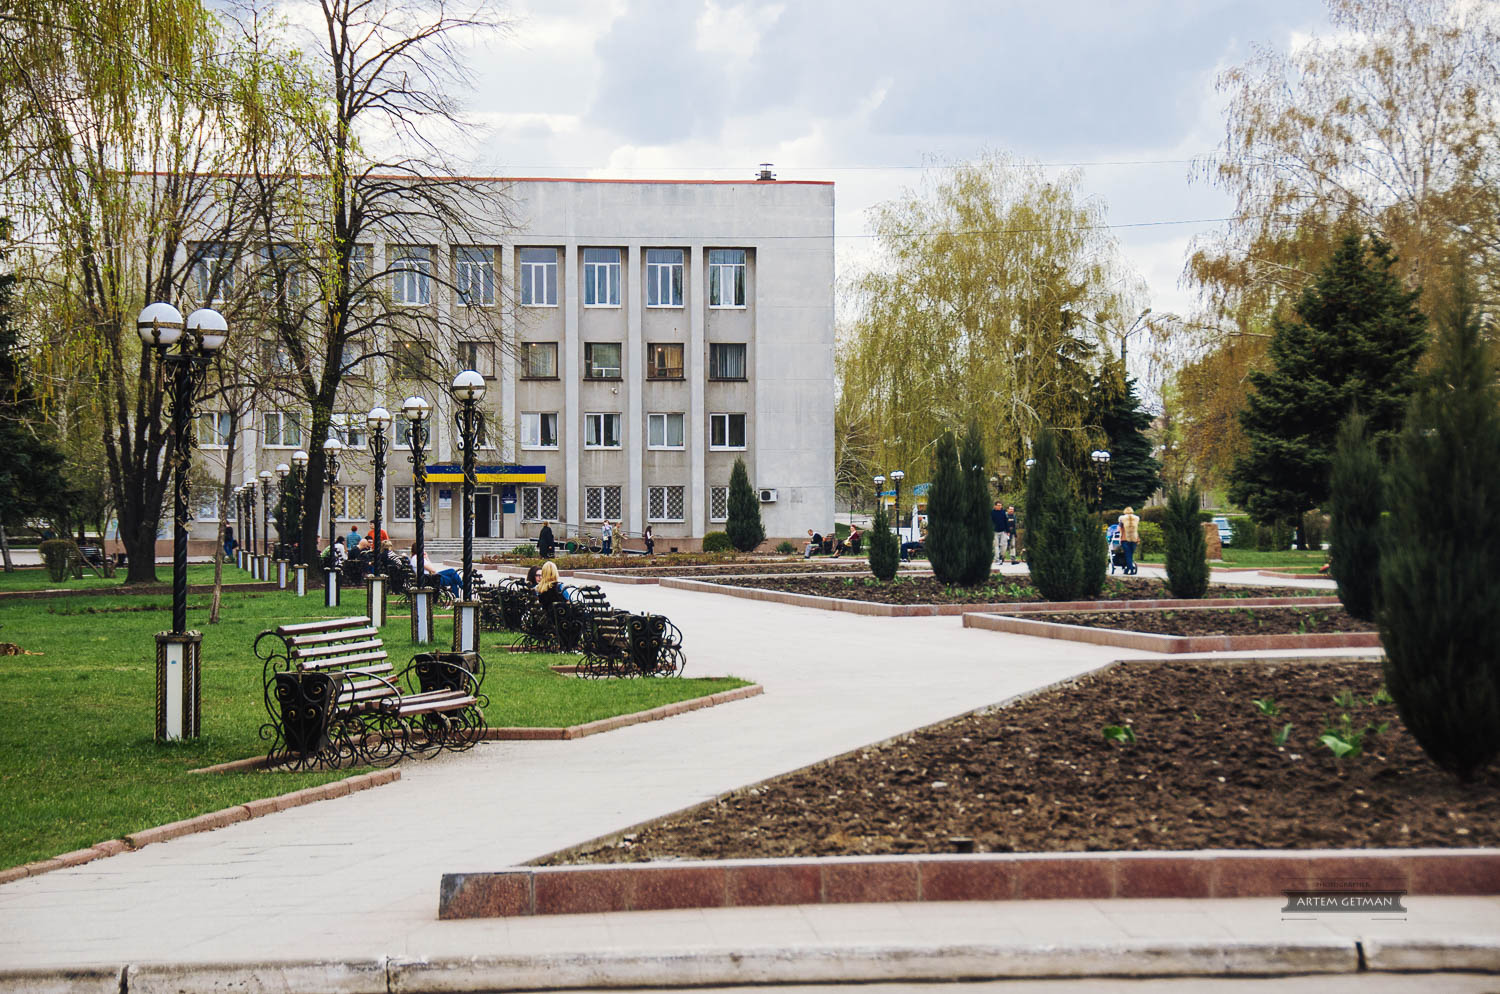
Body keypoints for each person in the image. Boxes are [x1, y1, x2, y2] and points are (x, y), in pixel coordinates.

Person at [1118, 506, 1141, 575]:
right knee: (1130, 555)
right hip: (1134, 539)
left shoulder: (1122, 519)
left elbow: (1119, 529)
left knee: (1128, 555)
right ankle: (1127, 570)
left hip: (1125, 539)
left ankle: (1131, 570)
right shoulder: (1136, 519)